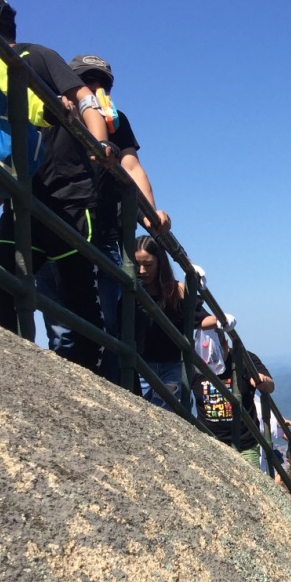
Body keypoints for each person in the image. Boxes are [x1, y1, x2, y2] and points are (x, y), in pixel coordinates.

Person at [0, 4, 116, 370]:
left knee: (78, 295)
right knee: (2, 276)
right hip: (26, 195)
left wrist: (99, 141)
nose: (97, 87)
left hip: (70, 198)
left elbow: (85, 99)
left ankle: (94, 374)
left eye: (102, 82)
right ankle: (13, 357)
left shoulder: (35, 55)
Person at [41, 53, 171, 383]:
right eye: (85, 79)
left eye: (102, 82)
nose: (95, 86)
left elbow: (131, 165)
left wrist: (150, 211)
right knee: (64, 326)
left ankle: (114, 397)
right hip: (54, 221)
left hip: (106, 232)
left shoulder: (117, 121)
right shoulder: (45, 109)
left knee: (109, 325)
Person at [132, 234, 216, 410]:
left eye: (148, 265)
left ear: (160, 263)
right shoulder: (130, 289)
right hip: (141, 363)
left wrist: (221, 320)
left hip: (173, 364)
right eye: (137, 264)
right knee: (142, 410)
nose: (141, 271)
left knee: (162, 408)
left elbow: (199, 318)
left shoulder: (175, 290)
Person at [196, 326, 273, 464]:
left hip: (245, 443)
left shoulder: (243, 359)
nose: (212, 359)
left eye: (217, 353)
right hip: (209, 443)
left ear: (225, 344)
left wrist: (262, 381)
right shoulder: (195, 364)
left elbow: (270, 386)